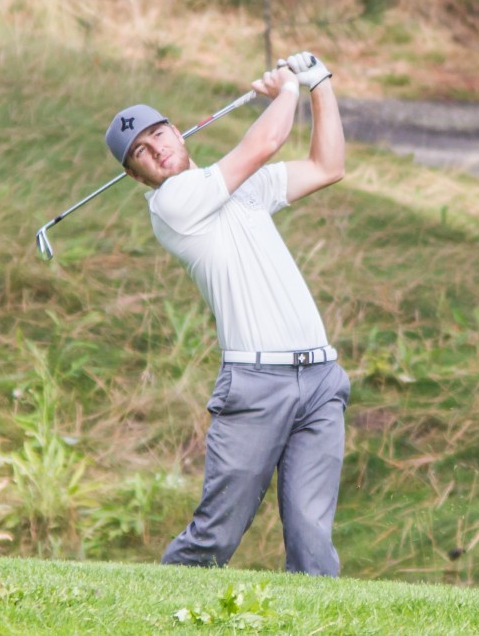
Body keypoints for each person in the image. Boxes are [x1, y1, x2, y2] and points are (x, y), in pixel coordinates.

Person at [104, 52, 350, 576]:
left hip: (321, 378)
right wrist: (286, 89)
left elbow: (329, 166)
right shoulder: (173, 204)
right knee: (214, 535)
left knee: (312, 541)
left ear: (177, 130)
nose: (157, 150)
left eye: (158, 135)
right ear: (136, 175)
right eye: (142, 153)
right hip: (256, 385)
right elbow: (262, 143)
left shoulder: (241, 190)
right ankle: (152, 614)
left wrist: (319, 84)